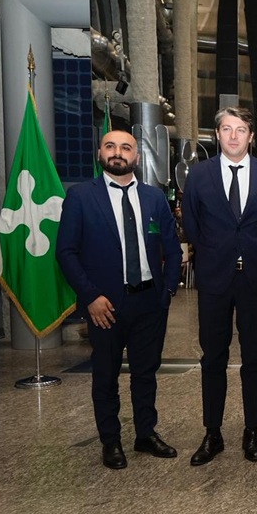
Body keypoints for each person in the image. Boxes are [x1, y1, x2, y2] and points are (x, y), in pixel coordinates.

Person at [57, 130, 182, 469]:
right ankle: (110, 441)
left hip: (149, 303)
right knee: (106, 375)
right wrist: (91, 297)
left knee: (146, 373)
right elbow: (66, 252)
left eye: (126, 147)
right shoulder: (81, 197)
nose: (118, 153)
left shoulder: (155, 198)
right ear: (100, 153)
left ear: (136, 157)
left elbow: (172, 249)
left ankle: (145, 434)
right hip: (105, 306)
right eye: (110, 146)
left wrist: (167, 291)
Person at [181, 106, 257, 465]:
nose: (234, 136)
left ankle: (251, 430)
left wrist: (255, 253)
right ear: (217, 134)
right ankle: (213, 433)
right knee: (213, 357)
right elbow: (192, 224)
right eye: (227, 129)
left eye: (241, 129)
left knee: (254, 357)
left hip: (255, 280)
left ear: (251, 136)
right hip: (214, 280)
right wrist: (215, 252)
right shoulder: (199, 175)